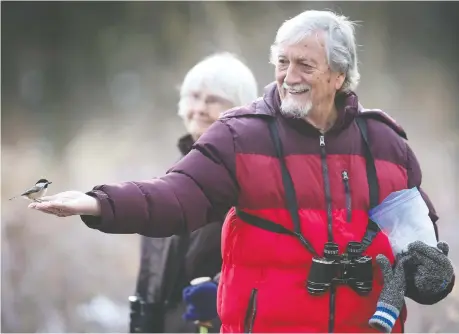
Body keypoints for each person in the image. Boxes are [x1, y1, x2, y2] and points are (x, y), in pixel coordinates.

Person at [29, 10, 455, 333]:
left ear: (339, 75)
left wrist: (430, 273)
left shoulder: (385, 144)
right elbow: (177, 196)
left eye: (305, 65)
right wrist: (98, 203)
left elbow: (417, 242)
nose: (289, 77)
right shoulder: (239, 134)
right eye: (282, 62)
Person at [129, 52, 258, 333]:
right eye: (194, 96)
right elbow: (153, 270)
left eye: (213, 100)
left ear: (240, 108)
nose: (199, 108)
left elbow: (269, 257)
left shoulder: (252, 177)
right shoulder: (172, 175)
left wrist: (220, 288)